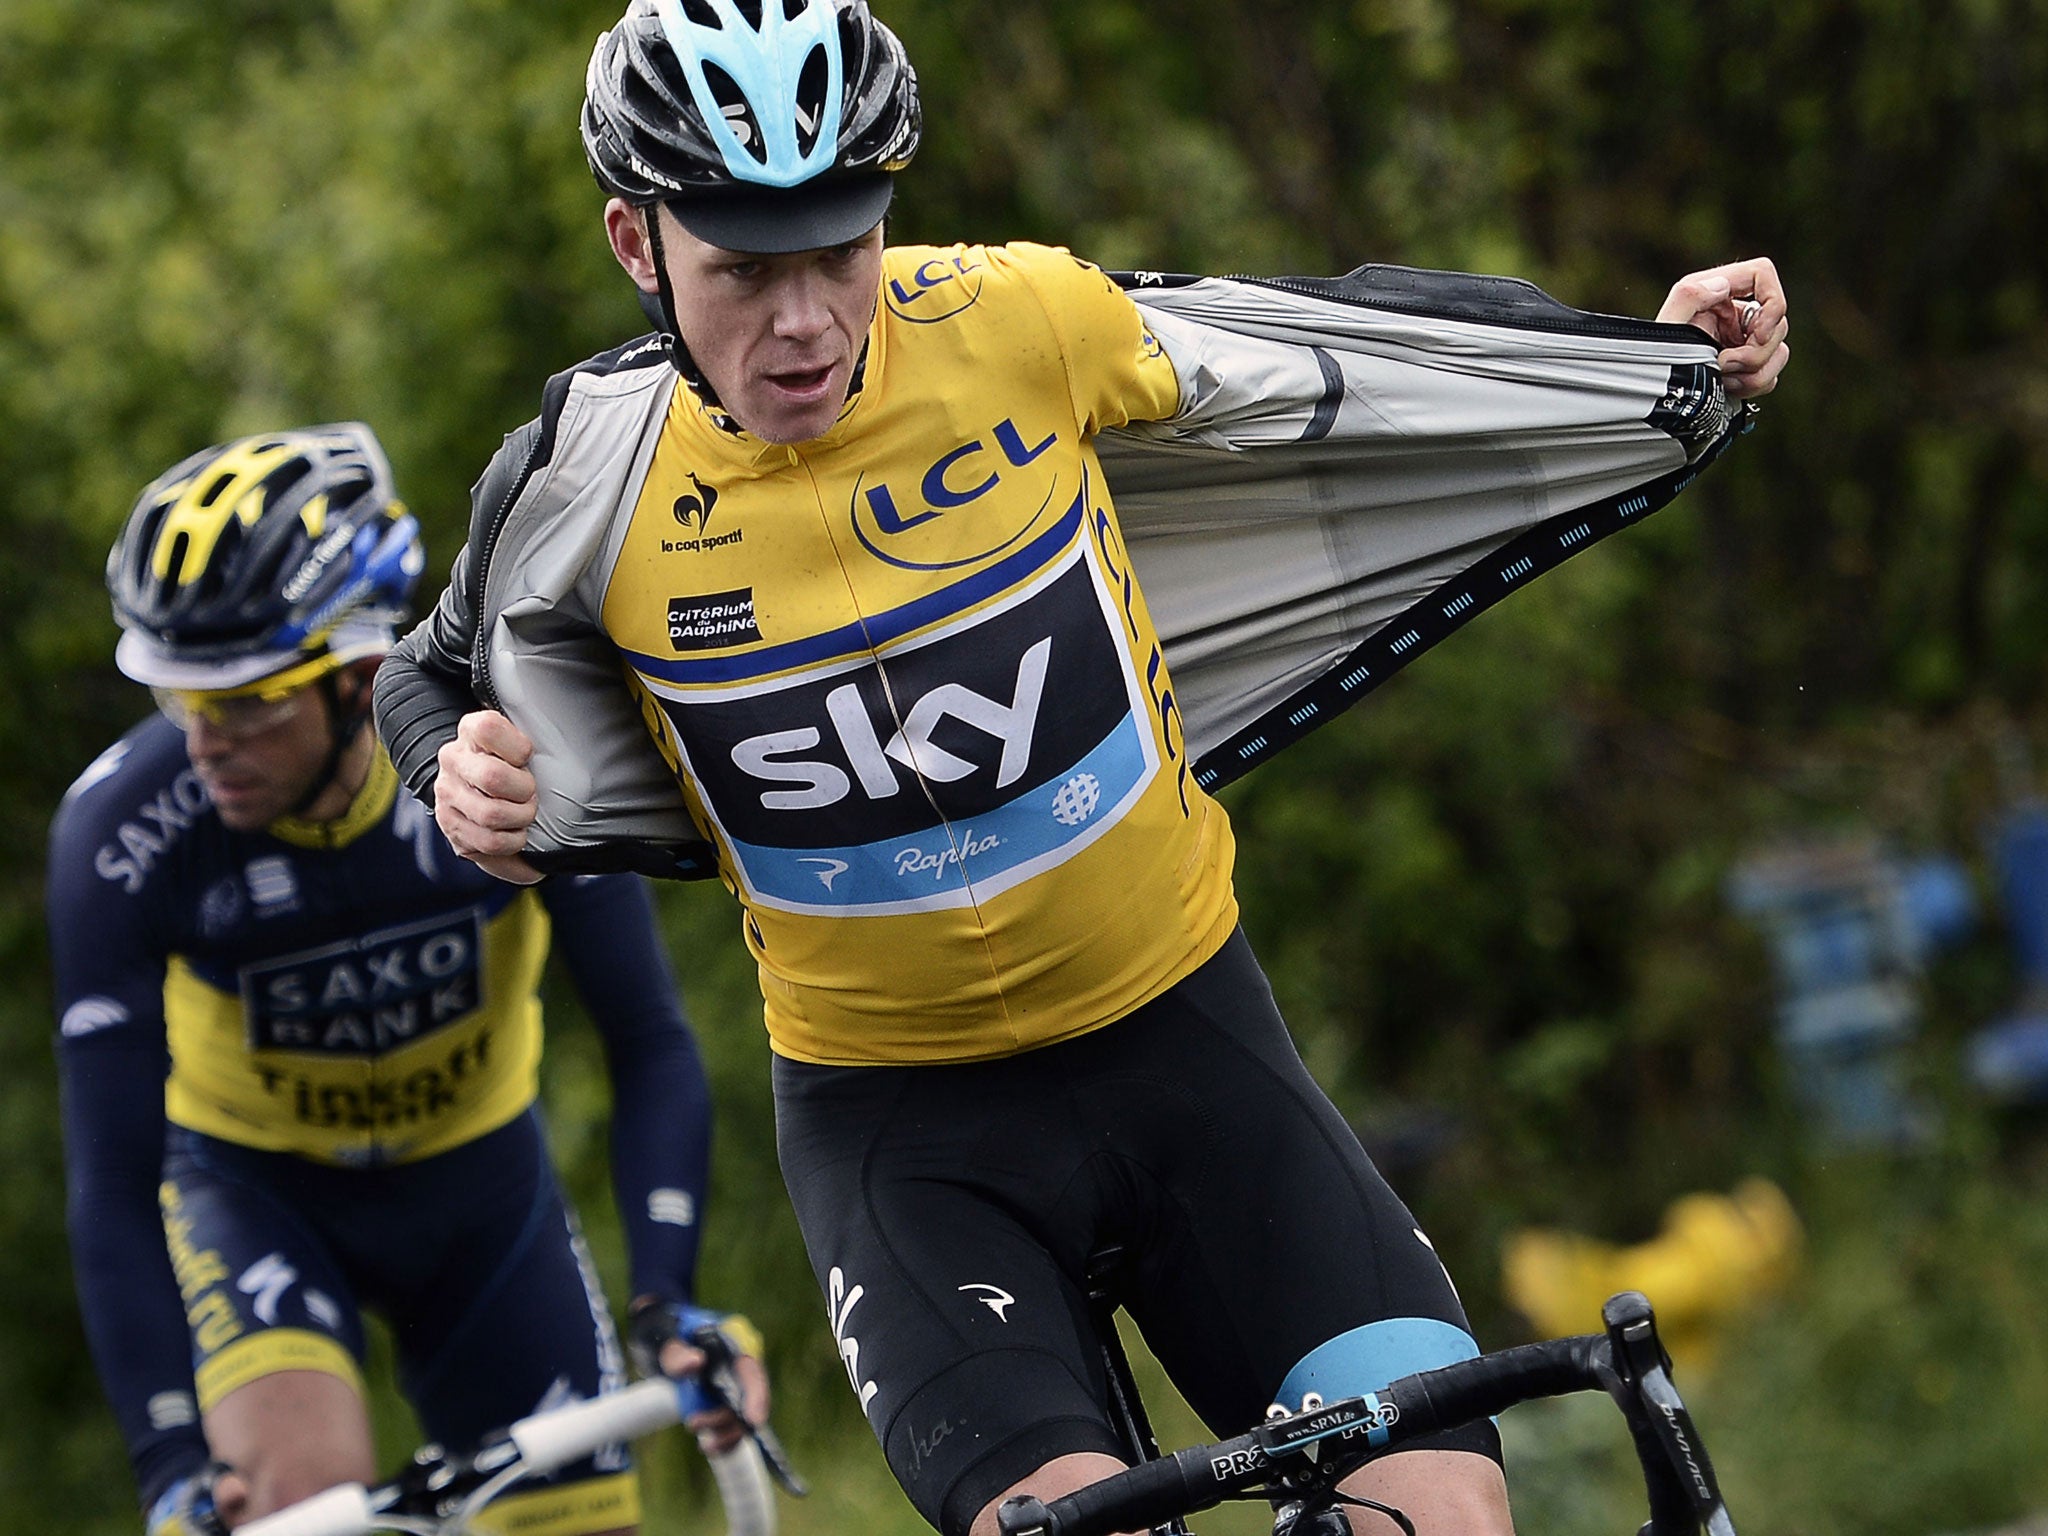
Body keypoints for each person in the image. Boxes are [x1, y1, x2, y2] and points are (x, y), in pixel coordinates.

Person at [372, 5, 1791, 1534]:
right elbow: (425, 669)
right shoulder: (586, 469)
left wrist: (1626, 353)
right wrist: (450, 765)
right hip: (906, 1143)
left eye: (837, 253)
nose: (801, 323)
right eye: (740, 270)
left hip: (1190, 1056)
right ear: (637, 247)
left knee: (1440, 1515)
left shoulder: (1021, 320)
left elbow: (1338, 349)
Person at [49, 423, 764, 1536]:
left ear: (360, 680)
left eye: (245, 702)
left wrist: (667, 1299)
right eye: (181, 701)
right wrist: (167, 1458)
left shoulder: (513, 755)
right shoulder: (123, 831)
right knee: (299, 1514)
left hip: (480, 1191)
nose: (204, 742)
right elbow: (109, 1179)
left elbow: (649, 1039)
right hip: (258, 1198)